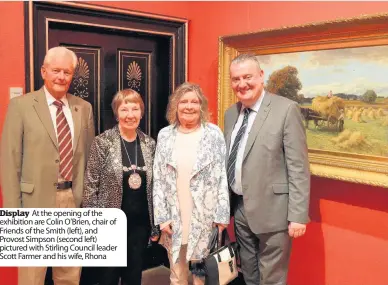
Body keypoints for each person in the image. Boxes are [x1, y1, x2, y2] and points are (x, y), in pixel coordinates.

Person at [0, 46, 95, 285]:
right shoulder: (21, 106)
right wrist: (13, 214)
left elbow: (89, 158)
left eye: (67, 72)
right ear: (44, 71)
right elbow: (10, 161)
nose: (61, 77)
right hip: (34, 202)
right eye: (56, 70)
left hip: (73, 200)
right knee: (32, 276)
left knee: (69, 274)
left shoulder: (84, 108)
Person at [225, 53, 310, 285]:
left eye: (247, 77)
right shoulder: (231, 113)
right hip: (240, 209)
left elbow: (298, 167)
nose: (242, 84)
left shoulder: (286, 110)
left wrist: (298, 216)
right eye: (235, 79)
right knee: (249, 275)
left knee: (272, 278)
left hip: (275, 213)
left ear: (262, 76)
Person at [153, 82, 230, 285]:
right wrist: (162, 218)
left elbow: (222, 175)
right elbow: (158, 179)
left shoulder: (213, 134)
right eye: (183, 101)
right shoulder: (165, 135)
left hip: (205, 216)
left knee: (201, 275)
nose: (189, 106)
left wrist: (222, 216)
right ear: (175, 106)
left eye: (194, 102)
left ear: (201, 106)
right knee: (177, 275)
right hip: (175, 216)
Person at [82, 89, 159, 285]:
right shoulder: (103, 142)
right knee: (107, 277)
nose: (130, 115)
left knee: (133, 276)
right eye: (124, 109)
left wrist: (155, 225)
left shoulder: (149, 144)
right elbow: (90, 185)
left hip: (139, 225)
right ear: (117, 113)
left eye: (135, 109)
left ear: (141, 113)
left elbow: (156, 187)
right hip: (110, 224)